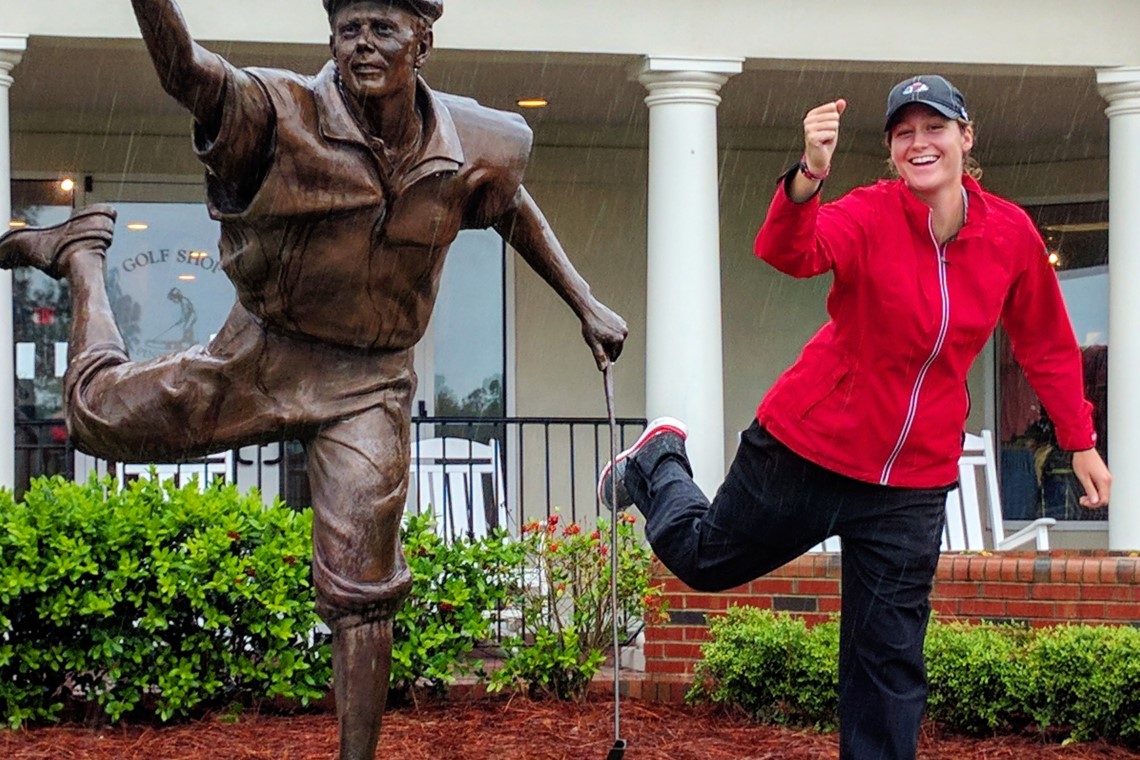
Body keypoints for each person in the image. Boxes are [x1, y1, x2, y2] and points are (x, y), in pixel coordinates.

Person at [0, 1, 627, 757]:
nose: (363, 44)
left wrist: (583, 300)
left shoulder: (479, 138)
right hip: (263, 354)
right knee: (95, 415)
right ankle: (82, 259)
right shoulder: (277, 110)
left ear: (422, 42)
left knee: (364, 593)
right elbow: (186, 73)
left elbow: (504, 202)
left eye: (383, 28)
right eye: (348, 28)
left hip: (370, 379)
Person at [599, 74, 1111, 760]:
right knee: (703, 561)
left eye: (936, 129)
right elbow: (788, 251)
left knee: (887, 664)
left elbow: (1045, 341)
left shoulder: (1010, 235)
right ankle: (658, 461)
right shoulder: (870, 214)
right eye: (905, 133)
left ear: (966, 138)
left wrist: (1079, 441)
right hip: (807, 448)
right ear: (893, 152)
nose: (920, 143)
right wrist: (810, 174)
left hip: (913, 483)